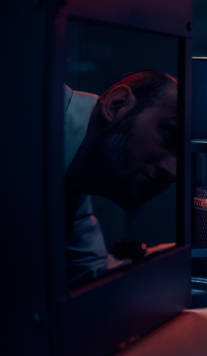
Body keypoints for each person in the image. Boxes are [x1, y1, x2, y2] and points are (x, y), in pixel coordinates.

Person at [64, 71, 178, 285]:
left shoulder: (74, 182)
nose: (172, 172)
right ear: (117, 105)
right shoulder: (23, 104)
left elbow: (88, 276)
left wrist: (186, 256)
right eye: (169, 135)